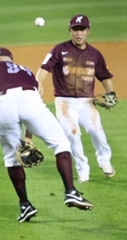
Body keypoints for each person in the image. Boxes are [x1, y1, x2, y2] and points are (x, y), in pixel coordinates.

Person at [0, 47, 93, 222]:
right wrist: (28, 136)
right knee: (61, 144)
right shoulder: (26, 70)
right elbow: (35, 102)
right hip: (30, 98)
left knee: (11, 158)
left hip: (2, 104)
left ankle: (25, 205)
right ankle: (70, 191)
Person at [36, 14, 116, 183]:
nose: (78, 33)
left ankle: (105, 161)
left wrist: (111, 92)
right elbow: (44, 68)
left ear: (88, 31)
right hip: (64, 102)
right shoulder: (59, 49)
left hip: (87, 101)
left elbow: (104, 75)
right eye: (75, 30)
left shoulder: (95, 54)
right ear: (70, 30)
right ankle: (82, 169)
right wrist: (39, 83)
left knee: (96, 130)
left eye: (82, 30)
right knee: (73, 134)